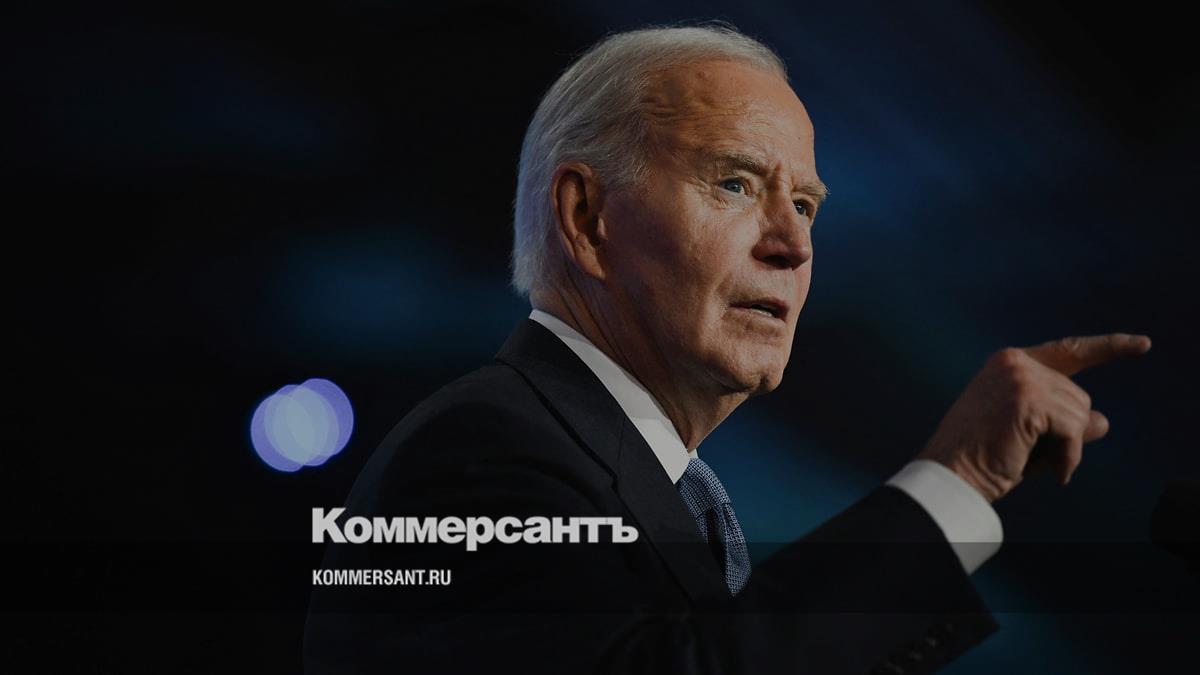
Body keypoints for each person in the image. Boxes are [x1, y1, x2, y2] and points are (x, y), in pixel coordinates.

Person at [303, 24, 1150, 674]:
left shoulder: (608, 467)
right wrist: (956, 480)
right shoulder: (480, 455)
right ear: (587, 219)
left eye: (806, 206)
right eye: (735, 183)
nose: (794, 244)